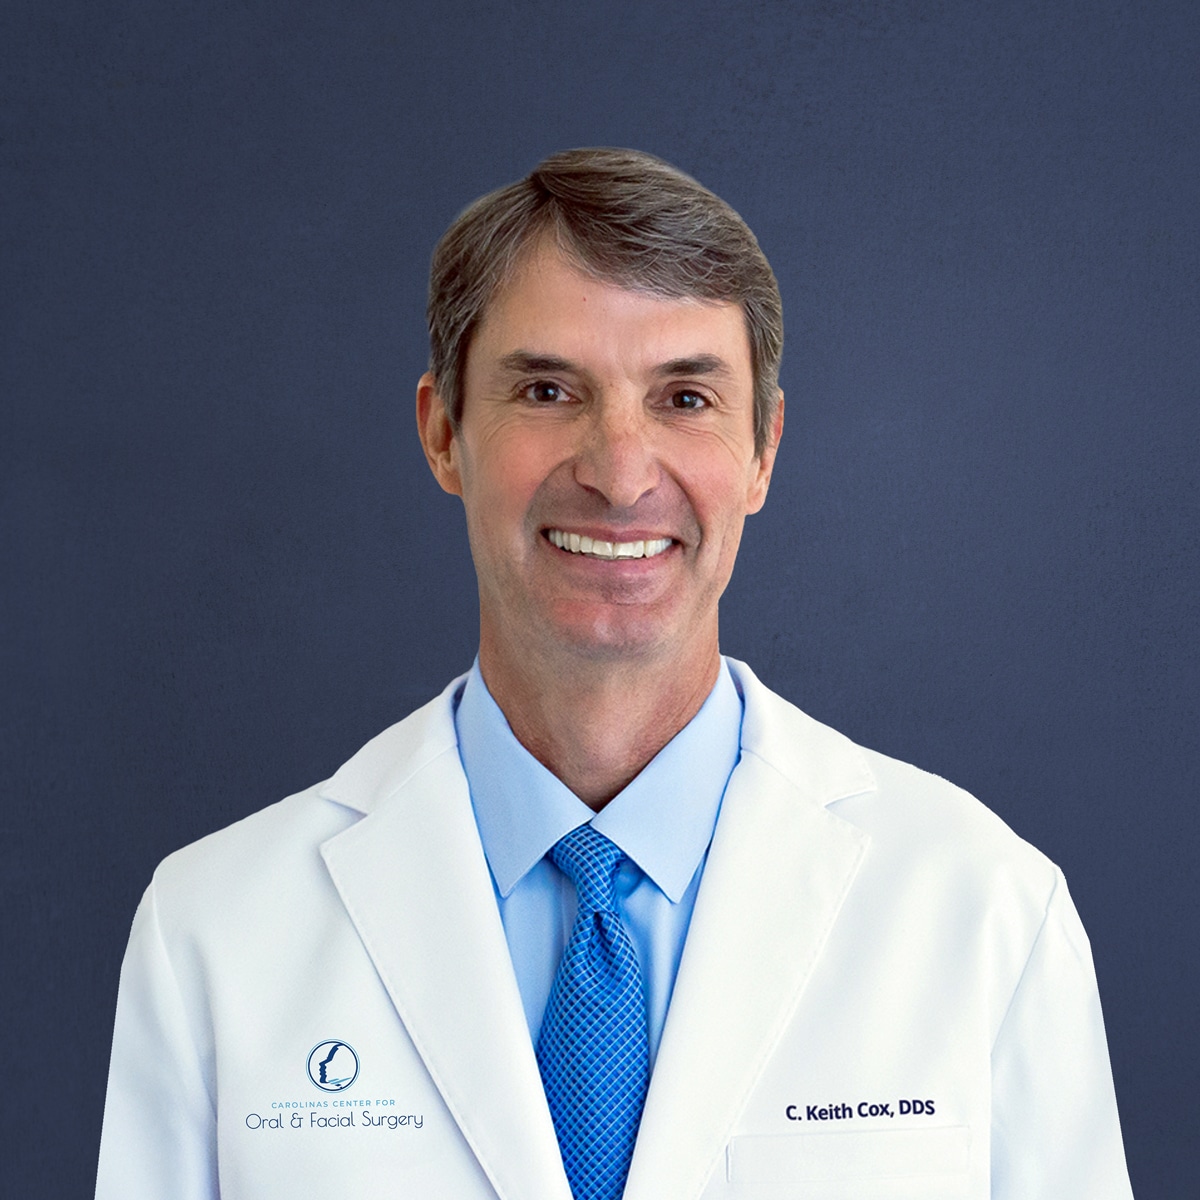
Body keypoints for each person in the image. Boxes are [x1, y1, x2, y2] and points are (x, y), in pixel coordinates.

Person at [95, 148, 1133, 1200]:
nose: (621, 471)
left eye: (685, 397)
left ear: (764, 450)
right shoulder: (216, 935)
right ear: (443, 432)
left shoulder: (984, 913)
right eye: (548, 390)